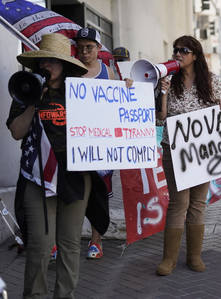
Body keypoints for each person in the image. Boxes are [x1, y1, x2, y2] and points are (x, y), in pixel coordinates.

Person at [6, 33, 90, 298]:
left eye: (53, 61)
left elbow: (104, 120)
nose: (47, 65)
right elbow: (17, 133)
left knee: (70, 244)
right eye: (43, 60)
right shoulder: (24, 90)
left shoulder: (79, 90)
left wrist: (128, 89)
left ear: (64, 65)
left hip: (75, 174)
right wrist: (32, 102)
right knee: (41, 246)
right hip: (37, 176)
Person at [156, 35, 221, 276]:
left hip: (203, 151)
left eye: (183, 50)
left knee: (197, 203)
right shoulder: (167, 80)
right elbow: (160, 118)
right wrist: (163, 92)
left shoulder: (211, 81)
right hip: (175, 150)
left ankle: (194, 256)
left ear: (195, 55)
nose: (178, 53)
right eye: (175, 50)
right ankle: (169, 260)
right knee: (179, 203)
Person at [74, 27, 114, 259]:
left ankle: (96, 241)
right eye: (80, 48)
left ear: (98, 48)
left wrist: (127, 86)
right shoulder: (71, 71)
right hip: (77, 142)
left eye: (89, 47)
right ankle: (66, 239)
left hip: (102, 143)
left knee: (100, 193)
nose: (84, 52)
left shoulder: (106, 72)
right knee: (75, 192)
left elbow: (119, 102)